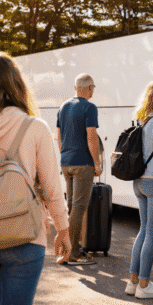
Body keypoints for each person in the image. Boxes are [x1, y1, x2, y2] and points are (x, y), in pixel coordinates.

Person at [0, 51, 72, 305]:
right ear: (17, 84)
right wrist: (63, 229)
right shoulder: (35, 127)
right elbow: (50, 186)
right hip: (25, 238)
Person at [119, 81, 153, 299]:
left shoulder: (143, 120)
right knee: (152, 233)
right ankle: (144, 284)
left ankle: (133, 282)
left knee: (143, 231)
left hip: (139, 182)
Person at [56, 73, 100, 265]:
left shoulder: (63, 106)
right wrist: (97, 163)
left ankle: (68, 247)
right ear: (89, 88)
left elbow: (58, 135)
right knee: (79, 206)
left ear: (75, 88)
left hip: (66, 162)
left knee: (72, 206)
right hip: (83, 163)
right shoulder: (89, 107)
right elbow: (92, 137)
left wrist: (65, 155)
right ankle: (73, 252)